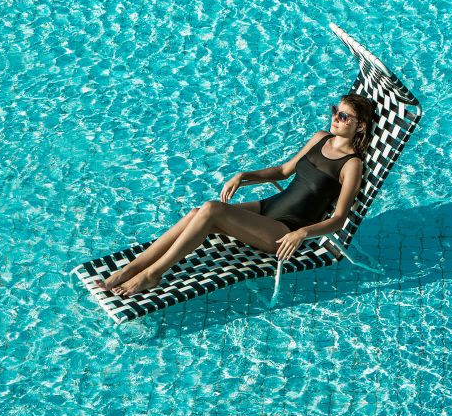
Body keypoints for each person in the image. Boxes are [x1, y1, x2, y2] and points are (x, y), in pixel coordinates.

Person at [97, 93, 375, 298]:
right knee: (199, 213)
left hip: (283, 230)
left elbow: (339, 219)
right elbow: (283, 171)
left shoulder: (352, 164)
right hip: (268, 207)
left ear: (359, 126)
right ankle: (132, 268)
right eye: (335, 110)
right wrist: (244, 176)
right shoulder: (320, 137)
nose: (335, 118)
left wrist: (301, 233)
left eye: (343, 116)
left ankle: (152, 274)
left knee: (212, 209)